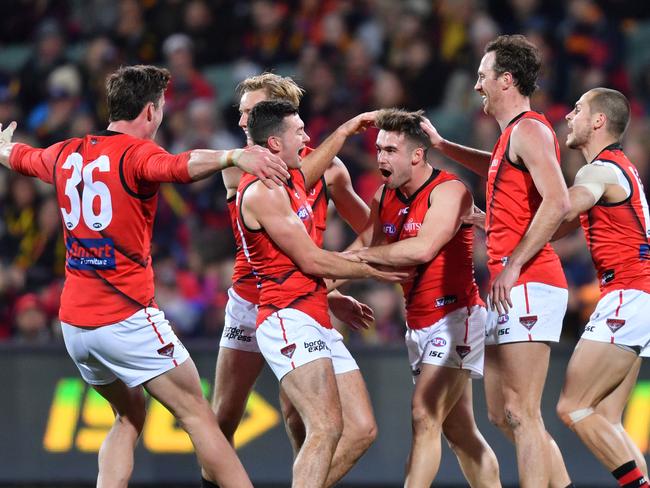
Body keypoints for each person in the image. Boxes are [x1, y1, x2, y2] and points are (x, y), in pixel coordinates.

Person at [0, 64, 291, 488]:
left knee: (129, 415)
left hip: (75, 327)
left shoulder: (66, 152)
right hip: (125, 317)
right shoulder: (138, 155)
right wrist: (233, 155)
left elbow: (23, 158)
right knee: (198, 416)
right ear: (151, 112)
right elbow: (183, 165)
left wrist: (2, 150)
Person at [210, 73, 377, 488]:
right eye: (242, 113)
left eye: (251, 112)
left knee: (308, 421)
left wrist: (332, 285)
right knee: (224, 420)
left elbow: (375, 228)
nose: (242, 122)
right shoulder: (242, 167)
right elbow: (296, 178)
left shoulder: (331, 170)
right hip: (252, 302)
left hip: (303, 295)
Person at [422, 35, 574, 487]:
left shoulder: (529, 128)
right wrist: (443, 146)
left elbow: (559, 201)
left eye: (483, 76)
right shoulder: (515, 136)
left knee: (521, 413)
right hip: (513, 282)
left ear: (506, 80)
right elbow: (499, 168)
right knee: (499, 414)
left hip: (530, 279)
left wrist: (511, 264)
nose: (476, 86)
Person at [238, 100, 408, 487]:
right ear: (274, 144)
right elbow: (311, 260)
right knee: (326, 427)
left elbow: (322, 164)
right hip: (286, 317)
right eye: (299, 131)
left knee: (361, 429)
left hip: (314, 312)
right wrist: (372, 268)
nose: (307, 138)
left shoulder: (290, 178)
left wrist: (348, 128)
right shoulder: (262, 192)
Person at [342, 108, 500, 487]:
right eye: (379, 149)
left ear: (417, 155)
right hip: (418, 324)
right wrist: (321, 284)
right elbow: (369, 244)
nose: (381, 157)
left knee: (423, 414)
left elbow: (422, 249)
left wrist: (354, 260)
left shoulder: (451, 190)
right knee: (461, 433)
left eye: (391, 150)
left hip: (457, 317)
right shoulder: (384, 195)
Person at [555, 88, 650, 487]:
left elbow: (567, 207)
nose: (568, 116)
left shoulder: (597, 170)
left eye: (577, 110)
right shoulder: (621, 169)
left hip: (628, 295)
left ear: (598, 122)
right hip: (638, 297)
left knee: (573, 407)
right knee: (608, 418)